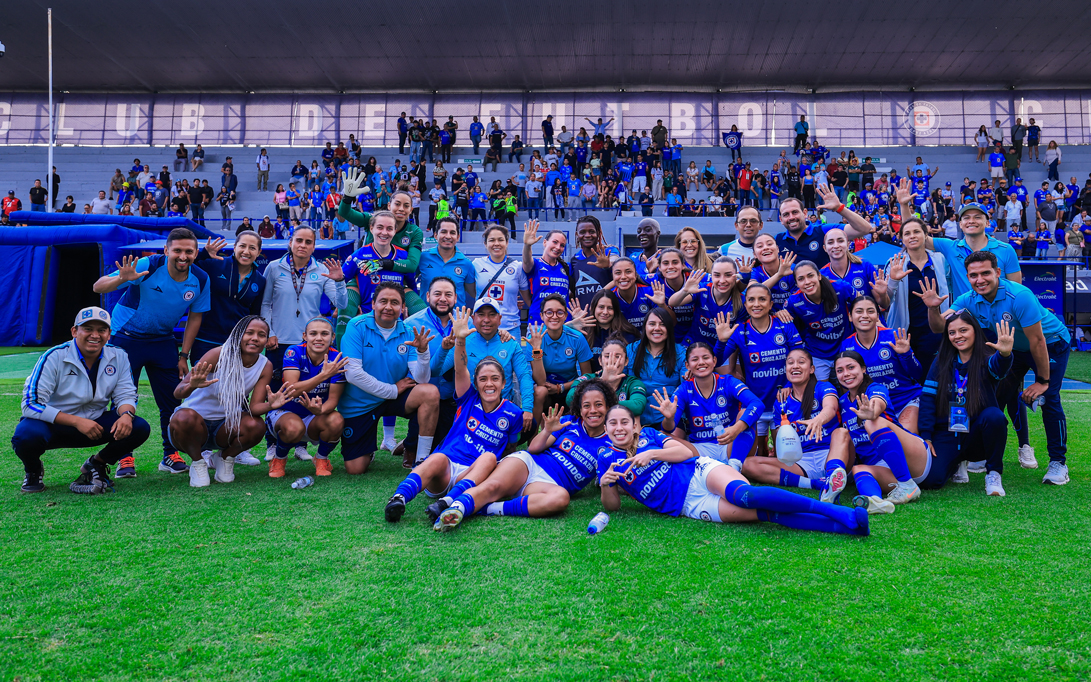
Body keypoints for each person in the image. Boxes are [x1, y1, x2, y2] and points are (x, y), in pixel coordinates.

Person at [597, 405, 868, 535]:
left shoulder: (649, 435)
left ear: (635, 425)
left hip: (699, 473)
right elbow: (613, 507)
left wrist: (651, 453)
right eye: (613, 424)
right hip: (688, 504)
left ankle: (836, 511)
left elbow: (686, 453)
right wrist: (607, 484)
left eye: (625, 422)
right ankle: (847, 528)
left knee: (745, 496)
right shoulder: (606, 457)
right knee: (766, 514)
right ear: (606, 429)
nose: (619, 428)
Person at [923, 251, 1070, 484]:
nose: (979, 279)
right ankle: (980, 454)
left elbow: (1037, 341)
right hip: (1014, 348)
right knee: (993, 395)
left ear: (998, 272)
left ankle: (1058, 463)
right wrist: (933, 308)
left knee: (1049, 398)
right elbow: (941, 327)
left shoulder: (1019, 296)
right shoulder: (968, 299)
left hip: (1050, 344)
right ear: (968, 277)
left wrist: (1042, 381)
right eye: (973, 275)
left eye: (985, 273)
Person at [385, 307, 525, 523]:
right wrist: (460, 339)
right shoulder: (468, 398)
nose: (489, 384)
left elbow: (510, 448)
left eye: (495, 379)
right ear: (475, 383)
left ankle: (446, 503)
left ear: (504, 383)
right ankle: (398, 498)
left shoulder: (513, 413)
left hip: (474, 475)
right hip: (445, 471)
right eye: (483, 379)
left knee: (489, 457)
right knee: (437, 457)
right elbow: (460, 369)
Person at [91, 229, 210, 478]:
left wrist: (184, 355)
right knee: (122, 400)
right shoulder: (148, 265)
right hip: (126, 337)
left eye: (189, 251)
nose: (183, 256)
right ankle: (124, 457)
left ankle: (170, 454)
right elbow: (98, 287)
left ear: (196, 253)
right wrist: (121, 278)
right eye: (177, 250)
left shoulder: (200, 278)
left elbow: (195, 317)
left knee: (172, 401)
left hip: (163, 340)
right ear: (166, 250)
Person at [433, 379, 616, 531]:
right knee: (493, 487)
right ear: (579, 409)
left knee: (561, 499)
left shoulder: (612, 443)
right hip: (529, 464)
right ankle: (456, 508)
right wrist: (547, 431)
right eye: (586, 406)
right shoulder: (569, 422)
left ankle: (488, 509)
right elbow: (533, 448)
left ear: (608, 407)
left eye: (599, 405)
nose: (593, 410)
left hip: (548, 485)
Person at [14, 307, 151, 494]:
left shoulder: (118, 355)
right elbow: (30, 403)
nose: (95, 335)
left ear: (109, 334)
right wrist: (77, 422)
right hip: (54, 425)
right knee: (25, 435)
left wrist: (127, 414)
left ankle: (96, 464)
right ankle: (33, 470)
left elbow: (126, 394)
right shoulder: (54, 356)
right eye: (88, 329)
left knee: (139, 427)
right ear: (74, 331)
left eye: (101, 330)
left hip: (95, 424)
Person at [259, 227, 347, 460]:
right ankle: (272, 442)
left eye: (309, 242)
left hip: (309, 342)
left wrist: (340, 281)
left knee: (305, 391)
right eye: (299, 240)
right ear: (290, 242)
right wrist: (269, 332)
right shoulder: (274, 267)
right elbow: (265, 303)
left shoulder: (321, 269)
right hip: (279, 340)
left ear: (314, 246)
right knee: (277, 392)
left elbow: (341, 303)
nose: (303, 245)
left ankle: (300, 445)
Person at [169, 316, 288, 488]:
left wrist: (271, 405)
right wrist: (192, 385)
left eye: (261, 335)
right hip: (192, 426)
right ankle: (198, 462)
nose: (255, 338)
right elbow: (177, 392)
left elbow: (254, 408)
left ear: (266, 340)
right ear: (238, 334)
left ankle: (224, 458)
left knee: (256, 425)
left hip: (225, 426)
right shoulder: (218, 354)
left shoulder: (265, 365)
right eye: (249, 333)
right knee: (183, 418)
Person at [339, 283, 438, 474]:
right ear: (373, 304)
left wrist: (423, 352)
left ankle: (422, 460)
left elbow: (422, 379)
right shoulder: (356, 326)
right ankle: (368, 450)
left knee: (429, 392)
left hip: (394, 397)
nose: (388, 307)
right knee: (355, 468)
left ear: (403, 308)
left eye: (395, 302)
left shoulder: (408, 331)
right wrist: (392, 390)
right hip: (362, 402)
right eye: (383, 301)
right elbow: (353, 374)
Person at [917, 311, 1014, 495]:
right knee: (932, 481)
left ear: (975, 331)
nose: (957, 336)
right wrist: (927, 436)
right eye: (952, 332)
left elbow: (999, 368)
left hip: (976, 435)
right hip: (948, 433)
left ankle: (993, 473)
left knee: (994, 416)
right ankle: (955, 463)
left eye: (963, 330)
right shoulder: (941, 360)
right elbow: (928, 399)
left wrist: (1005, 354)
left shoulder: (987, 358)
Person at [828, 351, 929, 515]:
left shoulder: (875, 388)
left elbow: (878, 403)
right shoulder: (842, 402)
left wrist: (872, 411)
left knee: (873, 422)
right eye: (840, 370)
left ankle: (907, 485)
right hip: (882, 468)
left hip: (910, 457)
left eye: (851, 367)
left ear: (863, 369)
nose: (845, 374)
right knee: (857, 466)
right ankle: (875, 501)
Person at [715, 283, 804, 457]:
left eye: (762, 299)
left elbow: (801, 360)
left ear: (771, 304)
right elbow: (715, 362)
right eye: (751, 300)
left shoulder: (785, 325)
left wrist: (789, 385)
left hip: (783, 402)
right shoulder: (740, 331)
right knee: (755, 456)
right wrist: (721, 341)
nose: (756, 304)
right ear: (745, 304)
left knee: (784, 456)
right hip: (755, 404)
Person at [653, 342, 763, 470]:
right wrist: (669, 418)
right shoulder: (683, 390)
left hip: (731, 444)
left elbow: (757, 404)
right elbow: (668, 429)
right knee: (660, 435)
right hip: (699, 450)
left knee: (746, 413)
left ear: (714, 361)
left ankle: (734, 466)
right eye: (695, 359)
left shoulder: (728, 382)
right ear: (687, 365)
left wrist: (736, 428)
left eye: (705, 357)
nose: (701, 362)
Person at [337, 171, 426, 329]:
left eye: (406, 206)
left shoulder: (414, 231)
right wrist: (347, 197)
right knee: (345, 314)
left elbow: (412, 265)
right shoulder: (373, 218)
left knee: (423, 314)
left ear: (411, 210)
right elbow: (344, 213)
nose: (401, 209)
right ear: (389, 205)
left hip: (397, 280)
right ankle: (341, 345)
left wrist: (383, 263)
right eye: (397, 204)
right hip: (364, 275)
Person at [265, 318, 348, 478]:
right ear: (305, 336)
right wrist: (323, 375)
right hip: (285, 413)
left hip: (314, 416)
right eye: (313, 333)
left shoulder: (336, 358)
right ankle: (279, 458)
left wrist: (320, 410)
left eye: (324, 334)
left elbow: (333, 400)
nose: (319, 338)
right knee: (293, 426)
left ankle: (321, 458)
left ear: (332, 337)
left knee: (336, 420)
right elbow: (292, 390)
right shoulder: (294, 351)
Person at [438, 297, 535, 432]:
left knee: (528, 427)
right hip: (471, 408)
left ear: (500, 319)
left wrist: (528, 409)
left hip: (502, 409)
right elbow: (436, 370)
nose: (486, 320)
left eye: (492, 315)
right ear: (473, 318)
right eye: (481, 315)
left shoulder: (510, 344)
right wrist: (443, 349)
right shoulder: (463, 342)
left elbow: (524, 376)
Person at [841, 296, 922, 433]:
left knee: (905, 433)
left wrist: (906, 354)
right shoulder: (846, 345)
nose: (865, 316)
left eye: (870, 311)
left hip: (905, 399)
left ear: (878, 316)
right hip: (873, 405)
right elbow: (847, 384)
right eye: (859, 311)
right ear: (850, 316)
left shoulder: (893, 337)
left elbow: (917, 374)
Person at [779, 260, 860, 380]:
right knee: (822, 389)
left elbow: (863, 304)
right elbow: (782, 324)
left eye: (810, 276)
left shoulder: (841, 287)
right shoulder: (794, 302)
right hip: (817, 353)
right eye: (801, 279)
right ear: (796, 283)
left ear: (819, 276)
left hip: (845, 348)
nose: (807, 282)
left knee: (848, 386)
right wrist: (778, 313)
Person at [527, 294, 594, 423]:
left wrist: (561, 387)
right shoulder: (534, 338)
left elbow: (587, 376)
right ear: (541, 316)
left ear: (565, 316)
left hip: (570, 388)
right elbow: (540, 381)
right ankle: (533, 434)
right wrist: (537, 349)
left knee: (583, 392)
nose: (554, 316)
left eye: (559, 312)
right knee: (539, 392)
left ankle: (579, 430)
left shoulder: (577, 338)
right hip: (546, 388)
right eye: (549, 312)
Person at [340, 211, 417, 317]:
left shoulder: (404, 256)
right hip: (366, 318)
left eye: (389, 228)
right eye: (380, 227)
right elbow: (340, 282)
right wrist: (341, 306)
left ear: (395, 231)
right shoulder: (359, 255)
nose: (384, 232)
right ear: (371, 228)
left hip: (395, 319)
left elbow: (412, 286)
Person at [626, 307, 686, 428]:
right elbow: (620, 381)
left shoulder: (681, 353)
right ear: (645, 327)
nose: (657, 328)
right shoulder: (631, 350)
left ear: (669, 328)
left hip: (669, 416)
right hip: (634, 416)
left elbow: (685, 386)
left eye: (662, 324)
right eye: (652, 324)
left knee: (669, 438)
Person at [668, 257, 743, 345]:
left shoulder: (741, 302)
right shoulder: (703, 288)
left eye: (728, 275)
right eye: (717, 275)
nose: (722, 280)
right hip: (692, 345)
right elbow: (672, 303)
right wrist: (685, 291)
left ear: (736, 276)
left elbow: (737, 340)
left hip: (720, 349)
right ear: (711, 276)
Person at [472, 224, 529, 337]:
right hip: (483, 328)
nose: (496, 243)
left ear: (507, 243)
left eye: (500, 240)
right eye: (492, 240)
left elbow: (528, 299)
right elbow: (471, 291)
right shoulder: (476, 265)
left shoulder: (517, 267)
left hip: (511, 328)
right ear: (485, 244)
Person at [567, 338, 647, 417]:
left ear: (626, 361)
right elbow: (570, 399)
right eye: (607, 356)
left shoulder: (632, 382)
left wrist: (602, 404)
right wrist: (602, 381)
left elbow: (638, 407)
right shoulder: (587, 378)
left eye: (617, 356)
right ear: (600, 361)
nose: (612, 361)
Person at [417, 217, 475, 309]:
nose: (448, 236)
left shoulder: (466, 263)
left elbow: (473, 293)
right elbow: (407, 281)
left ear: (458, 237)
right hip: (427, 316)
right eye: (444, 232)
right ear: (435, 235)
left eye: (452, 233)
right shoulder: (422, 257)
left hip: (456, 316)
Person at [522, 219, 569, 325]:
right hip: (538, 324)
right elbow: (526, 261)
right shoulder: (535, 264)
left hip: (562, 324)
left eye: (562, 245)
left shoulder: (566, 267)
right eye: (555, 242)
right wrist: (527, 246)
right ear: (544, 242)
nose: (558, 247)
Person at [820, 228, 887, 303]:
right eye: (830, 242)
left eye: (840, 241)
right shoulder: (821, 275)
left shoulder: (865, 266)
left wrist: (883, 295)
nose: (836, 246)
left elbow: (884, 304)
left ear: (848, 244)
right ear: (825, 248)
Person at [568, 215, 618, 310]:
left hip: (606, 313)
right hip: (584, 316)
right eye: (582, 232)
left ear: (598, 233)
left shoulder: (609, 251)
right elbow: (572, 291)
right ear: (577, 234)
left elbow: (615, 260)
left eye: (591, 231)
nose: (587, 235)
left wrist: (608, 265)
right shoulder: (574, 260)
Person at [751, 233, 795, 311]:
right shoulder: (755, 271)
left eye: (769, 244)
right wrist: (779, 275)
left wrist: (785, 311)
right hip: (768, 315)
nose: (765, 248)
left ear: (777, 249)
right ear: (755, 254)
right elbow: (753, 292)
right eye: (760, 246)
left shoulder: (792, 268)